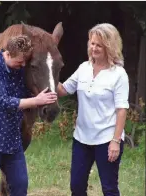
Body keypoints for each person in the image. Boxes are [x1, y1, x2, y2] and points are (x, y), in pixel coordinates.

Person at [0, 35, 58, 196]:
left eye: (25, 61)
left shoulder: (19, 69)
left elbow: (30, 85)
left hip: (10, 138)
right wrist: (36, 101)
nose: (22, 65)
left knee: (20, 185)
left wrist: (51, 86)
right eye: (20, 61)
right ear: (8, 53)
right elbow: (4, 102)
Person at [57, 23, 129, 196]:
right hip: (82, 138)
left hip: (107, 139)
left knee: (109, 188)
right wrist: (47, 75)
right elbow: (63, 90)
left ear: (109, 47)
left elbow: (122, 110)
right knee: (76, 186)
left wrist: (115, 141)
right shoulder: (84, 68)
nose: (93, 48)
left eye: (99, 45)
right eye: (92, 43)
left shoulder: (118, 74)